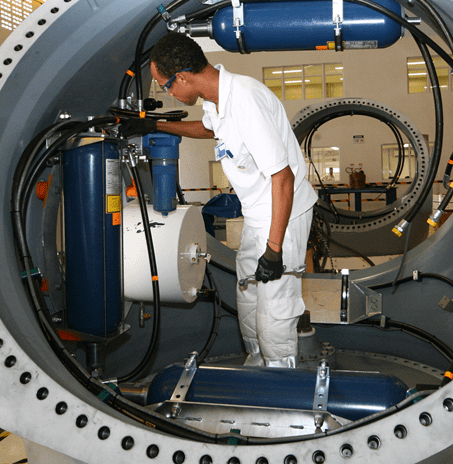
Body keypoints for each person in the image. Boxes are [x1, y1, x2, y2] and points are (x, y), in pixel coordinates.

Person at [120, 33, 317, 368]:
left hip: (283, 212)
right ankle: (257, 364)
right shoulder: (215, 100)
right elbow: (210, 130)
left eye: (166, 86)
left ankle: (281, 379)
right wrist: (156, 125)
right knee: (248, 292)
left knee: (275, 304)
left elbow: (283, 178)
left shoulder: (245, 99)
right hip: (258, 212)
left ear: (183, 77)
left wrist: (274, 249)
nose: (169, 93)